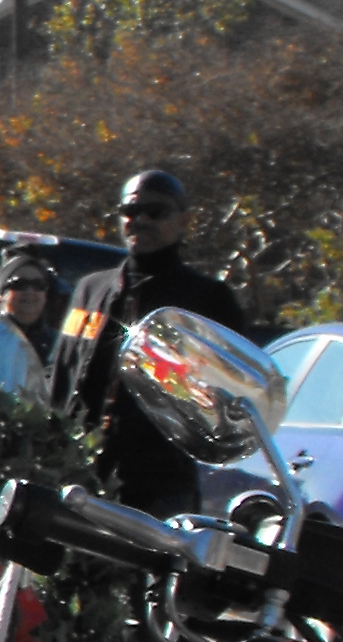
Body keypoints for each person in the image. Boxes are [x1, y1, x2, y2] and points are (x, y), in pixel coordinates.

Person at [50, 169, 256, 517]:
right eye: (130, 212)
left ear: (183, 221)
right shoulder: (90, 290)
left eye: (156, 212)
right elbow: (59, 374)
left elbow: (233, 397)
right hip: (76, 477)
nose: (140, 220)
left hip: (157, 490)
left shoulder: (207, 299)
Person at [0, 245, 60, 360]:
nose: (30, 291)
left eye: (39, 285)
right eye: (20, 284)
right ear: (2, 294)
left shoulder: (56, 344)